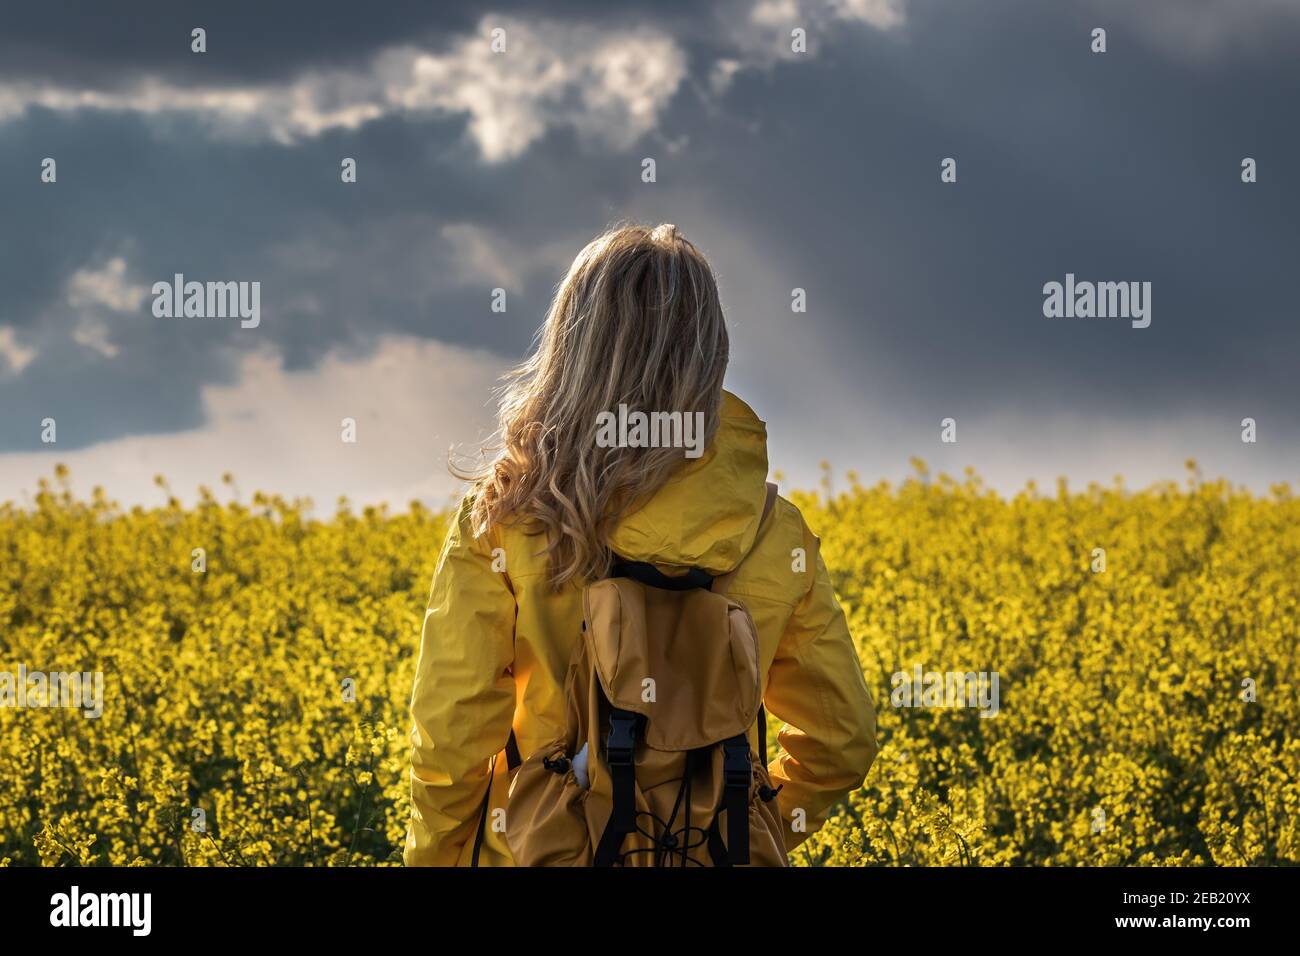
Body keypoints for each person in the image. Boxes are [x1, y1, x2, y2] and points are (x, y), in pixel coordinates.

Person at [404, 222, 877, 866]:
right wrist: (742, 827)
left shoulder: (509, 516)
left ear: (573, 347)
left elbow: (452, 737)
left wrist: (438, 859)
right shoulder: (773, 530)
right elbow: (841, 739)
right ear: (709, 351)